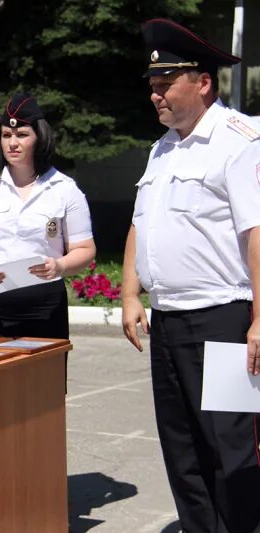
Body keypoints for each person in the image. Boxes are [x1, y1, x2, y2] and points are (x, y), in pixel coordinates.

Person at [121, 18, 260, 533]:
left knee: (232, 449)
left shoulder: (241, 140)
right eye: (152, 86)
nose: (155, 95)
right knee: (182, 450)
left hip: (224, 317)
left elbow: (256, 234)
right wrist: (131, 292)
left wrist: (258, 321)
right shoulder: (163, 148)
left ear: (202, 82)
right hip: (170, 320)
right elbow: (142, 221)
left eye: (165, 84)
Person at [0, 93, 96, 527]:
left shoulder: (64, 190)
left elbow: (86, 250)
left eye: (22, 133)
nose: (13, 142)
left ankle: (44, 493)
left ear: (40, 137)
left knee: (44, 404)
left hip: (43, 306)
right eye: (6, 134)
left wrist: (58, 264)